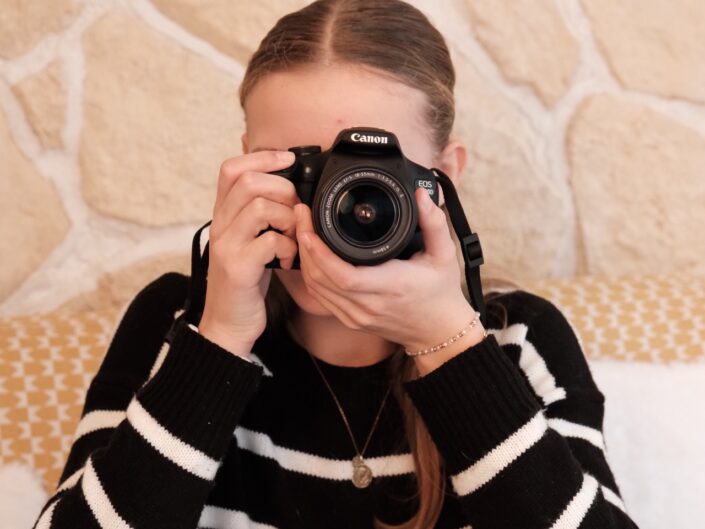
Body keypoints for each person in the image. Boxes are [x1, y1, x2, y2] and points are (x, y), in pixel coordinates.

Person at [31, 1, 640, 528]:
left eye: (367, 180)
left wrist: (448, 342)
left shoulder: (516, 340)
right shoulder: (180, 321)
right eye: (302, 170)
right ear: (245, 167)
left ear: (444, 179)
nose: (333, 208)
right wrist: (218, 342)